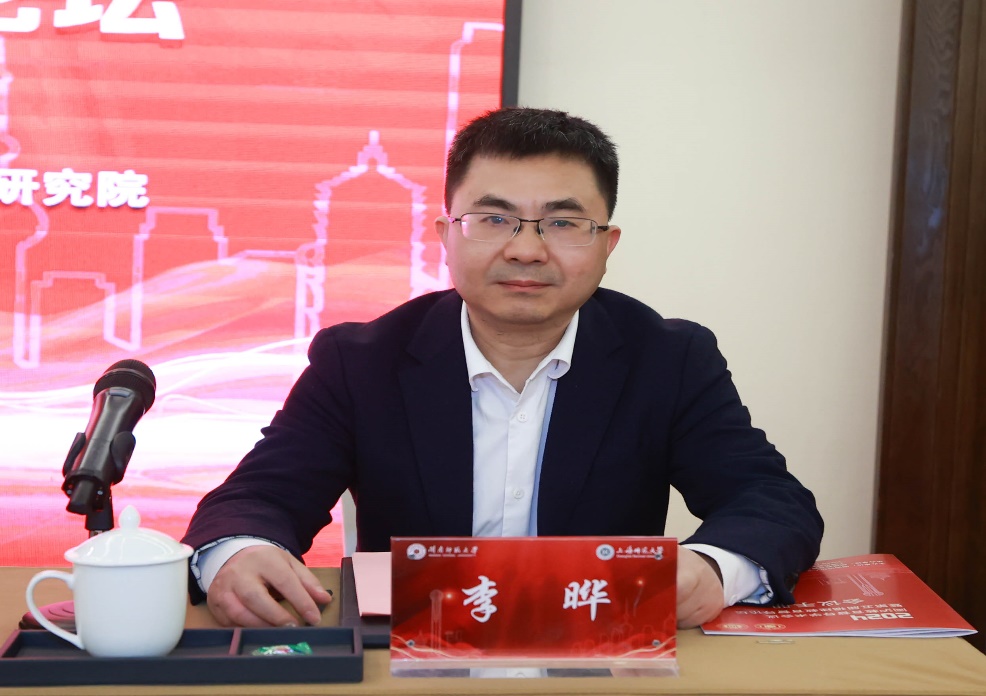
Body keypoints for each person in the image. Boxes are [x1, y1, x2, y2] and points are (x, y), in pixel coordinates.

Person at [182, 107, 823, 630]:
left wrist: (712, 570)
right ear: (446, 235)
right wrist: (240, 553)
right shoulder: (361, 360)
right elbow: (257, 499)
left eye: (562, 222)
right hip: (410, 659)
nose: (526, 249)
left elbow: (770, 501)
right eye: (494, 219)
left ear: (607, 244)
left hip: (598, 656)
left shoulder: (668, 358)